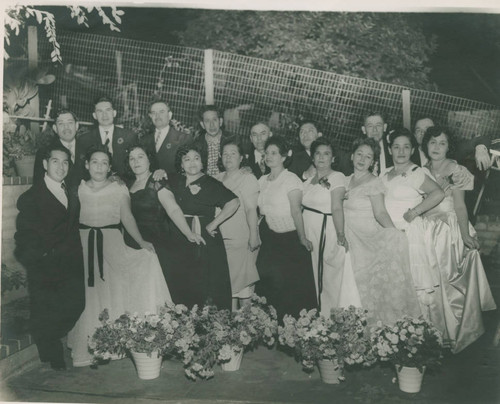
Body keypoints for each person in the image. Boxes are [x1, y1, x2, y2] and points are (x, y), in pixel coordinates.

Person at [67, 145, 171, 367]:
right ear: (86, 165)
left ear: (110, 167)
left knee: (110, 290)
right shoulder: (78, 187)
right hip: (84, 243)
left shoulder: (118, 188)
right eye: (95, 162)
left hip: (111, 242)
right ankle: (87, 347)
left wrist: (142, 242)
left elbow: (127, 217)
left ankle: (111, 345)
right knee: (88, 294)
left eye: (105, 163)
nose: (99, 167)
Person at [421, 126, 496, 352]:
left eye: (442, 143)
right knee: (430, 283)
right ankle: (434, 332)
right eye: (432, 142)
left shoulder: (455, 168)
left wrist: (464, 234)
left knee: (450, 281)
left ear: (448, 147)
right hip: (425, 230)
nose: (436, 147)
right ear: (426, 145)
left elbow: (461, 206)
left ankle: (454, 332)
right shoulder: (420, 169)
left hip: (448, 229)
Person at [15, 144, 85, 370]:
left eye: (65, 162)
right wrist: (39, 259)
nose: (61, 167)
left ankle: (45, 337)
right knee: (47, 310)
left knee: (76, 305)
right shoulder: (31, 197)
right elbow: (23, 236)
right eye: (55, 161)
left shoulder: (71, 192)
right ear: (45, 164)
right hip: (45, 266)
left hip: (71, 264)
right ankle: (52, 352)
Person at [343, 137, 421, 325]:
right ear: (352, 156)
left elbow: (380, 213)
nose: (362, 159)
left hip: (366, 240)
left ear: (373, 162)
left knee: (367, 287)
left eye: (368, 157)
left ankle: (377, 331)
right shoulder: (344, 180)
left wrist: (394, 234)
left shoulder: (374, 183)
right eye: (359, 154)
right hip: (349, 237)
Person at [381, 128, 445, 329]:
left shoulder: (417, 172)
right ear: (390, 150)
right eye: (396, 147)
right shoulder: (383, 175)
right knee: (393, 285)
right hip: (388, 234)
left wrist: (416, 211)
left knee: (414, 285)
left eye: (406, 147)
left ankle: (417, 337)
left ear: (412, 150)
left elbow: (438, 193)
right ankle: (393, 335)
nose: (401, 151)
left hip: (409, 234)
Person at [167, 144, 240, 310]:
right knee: (182, 281)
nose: (192, 163)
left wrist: (213, 223)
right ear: (181, 164)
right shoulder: (174, 180)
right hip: (179, 237)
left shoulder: (211, 183)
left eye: (196, 158)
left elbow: (234, 202)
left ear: (203, 162)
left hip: (205, 241)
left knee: (206, 283)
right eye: (187, 159)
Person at [124, 144, 205, 292]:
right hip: (133, 243)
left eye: (140, 157)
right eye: (132, 158)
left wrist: (188, 233)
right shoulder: (126, 185)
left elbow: (173, 209)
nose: (136, 162)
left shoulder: (157, 182)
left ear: (149, 159)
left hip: (157, 244)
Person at [256, 136, 317, 322]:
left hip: (290, 239)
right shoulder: (262, 180)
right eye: (266, 153)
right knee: (269, 284)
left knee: (292, 288)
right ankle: (273, 328)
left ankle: (293, 331)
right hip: (270, 239)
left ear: (284, 157)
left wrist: (302, 238)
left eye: (274, 153)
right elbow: (260, 211)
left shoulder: (291, 179)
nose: (269, 156)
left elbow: (296, 211)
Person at [301, 137, 353, 315]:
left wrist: (340, 234)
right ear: (312, 158)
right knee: (313, 275)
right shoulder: (307, 181)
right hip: (309, 232)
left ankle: (329, 319)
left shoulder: (337, 177)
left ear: (333, 158)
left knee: (329, 277)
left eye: (326, 154)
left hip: (327, 230)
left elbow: (337, 207)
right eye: (317, 153)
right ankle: (315, 317)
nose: (321, 157)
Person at [412, 116, 492, 221]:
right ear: (414, 134)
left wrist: (480, 148)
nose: (423, 133)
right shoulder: (409, 155)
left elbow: (482, 139)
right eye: (419, 131)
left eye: (428, 129)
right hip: (422, 218)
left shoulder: (451, 150)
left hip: (453, 218)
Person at [215, 140, 260, 310]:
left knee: (244, 290)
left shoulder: (247, 178)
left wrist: (254, 236)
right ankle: (230, 331)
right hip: (222, 240)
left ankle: (247, 330)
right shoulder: (216, 178)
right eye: (225, 153)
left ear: (241, 158)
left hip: (241, 239)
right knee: (228, 288)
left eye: (233, 153)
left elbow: (251, 210)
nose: (228, 157)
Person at [34, 109, 100, 188]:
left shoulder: (90, 149)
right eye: (61, 123)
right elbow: (39, 185)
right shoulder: (43, 152)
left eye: (70, 122)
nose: (66, 127)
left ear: (76, 126)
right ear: (55, 128)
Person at [141, 98, 193, 174]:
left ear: (169, 115)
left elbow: (188, 169)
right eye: (154, 113)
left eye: (161, 112)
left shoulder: (183, 139)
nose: (157, 116)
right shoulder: (144, 141)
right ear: (150, 116)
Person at [88, 96, 137, 178]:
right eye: (100, 111)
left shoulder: (129, 137)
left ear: (114, 113)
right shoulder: (85, 139)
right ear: (94, 115)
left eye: (108, 110)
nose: (104, 115)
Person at [288, 120, 353, 180]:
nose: (305, 135)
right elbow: (289, 184)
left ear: (319, 135)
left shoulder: (336, 155)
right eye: (302, 132)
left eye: (310, 131)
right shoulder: (294, 159)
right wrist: (305, 175)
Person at [193, 105, 236, 177]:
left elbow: (242, 163)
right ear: (202, 125)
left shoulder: (232, 139)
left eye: (214, 120)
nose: (211, 125)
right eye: (207, 121)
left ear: (221, 121)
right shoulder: (197, 144)